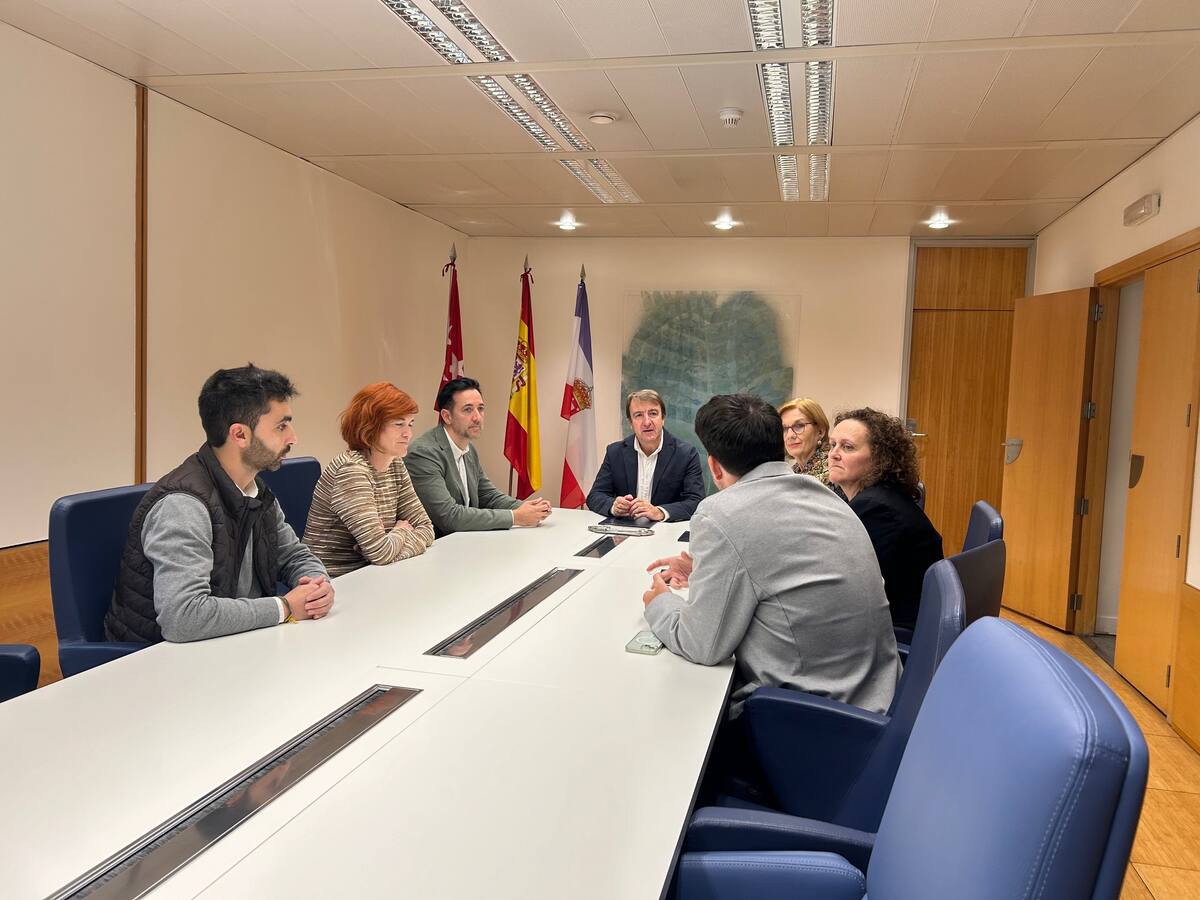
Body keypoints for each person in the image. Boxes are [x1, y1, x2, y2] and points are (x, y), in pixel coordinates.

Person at [641, 394, 900, 720]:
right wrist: (711, 570)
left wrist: (659, 603)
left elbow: (701, 644)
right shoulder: (825, 495)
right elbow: (784, 569)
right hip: (881, 700)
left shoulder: (719, 512)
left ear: (714, 467)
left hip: (813, 720)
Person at [105, 364, 334, 643]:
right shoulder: (183, 506)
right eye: (281, 426)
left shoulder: (255, 492)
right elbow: (183, 618)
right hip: (160, 661)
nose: (293, 438)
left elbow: (294, 556)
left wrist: (316, 586)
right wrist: (284, 607)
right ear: (239, 435)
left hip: (232, 644)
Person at [827, 407, 944, 631]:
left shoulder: (876, 509)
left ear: (879, 458)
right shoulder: (881, 496)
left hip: (897, 632)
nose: (833, 454)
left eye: (847, 447)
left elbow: (851, 589)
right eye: (832, 445)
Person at [303, 382, 435, 578]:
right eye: (399, 424)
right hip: (334, 581)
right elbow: (380, 553)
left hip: (375, 573)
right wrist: (401, 530)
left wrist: (390, 545)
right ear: (371, 426)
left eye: (410, 424)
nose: (408, 433)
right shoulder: (351, 471)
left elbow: (426, 529)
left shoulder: (395, 464)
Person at [406, 377, 551, 537]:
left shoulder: (469, 450)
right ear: (447, 416)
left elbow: (487, 496)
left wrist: (529, 508)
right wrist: (515, 517)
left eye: (480, 409)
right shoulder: (424, 453)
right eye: (468, 410)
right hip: (436, 546)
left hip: (464, 541)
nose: (477, 417)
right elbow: (448, 516)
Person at [586, 389, 706, 522]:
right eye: (638, 415)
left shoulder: (686, 454)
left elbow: (696, 501)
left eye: (653, 413)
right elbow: (595, 495)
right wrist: (614, 506)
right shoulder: (615, 452)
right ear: (630, 423)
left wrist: (659, 512)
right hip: (624, 529)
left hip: (665, 530)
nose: (647, 422)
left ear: (663, 418)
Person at [779, 396, 831, 485]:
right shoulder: (793, 472)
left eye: (799, 426)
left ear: (820, 431)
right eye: (784, 429)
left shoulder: (833, 469)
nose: (790, 435)